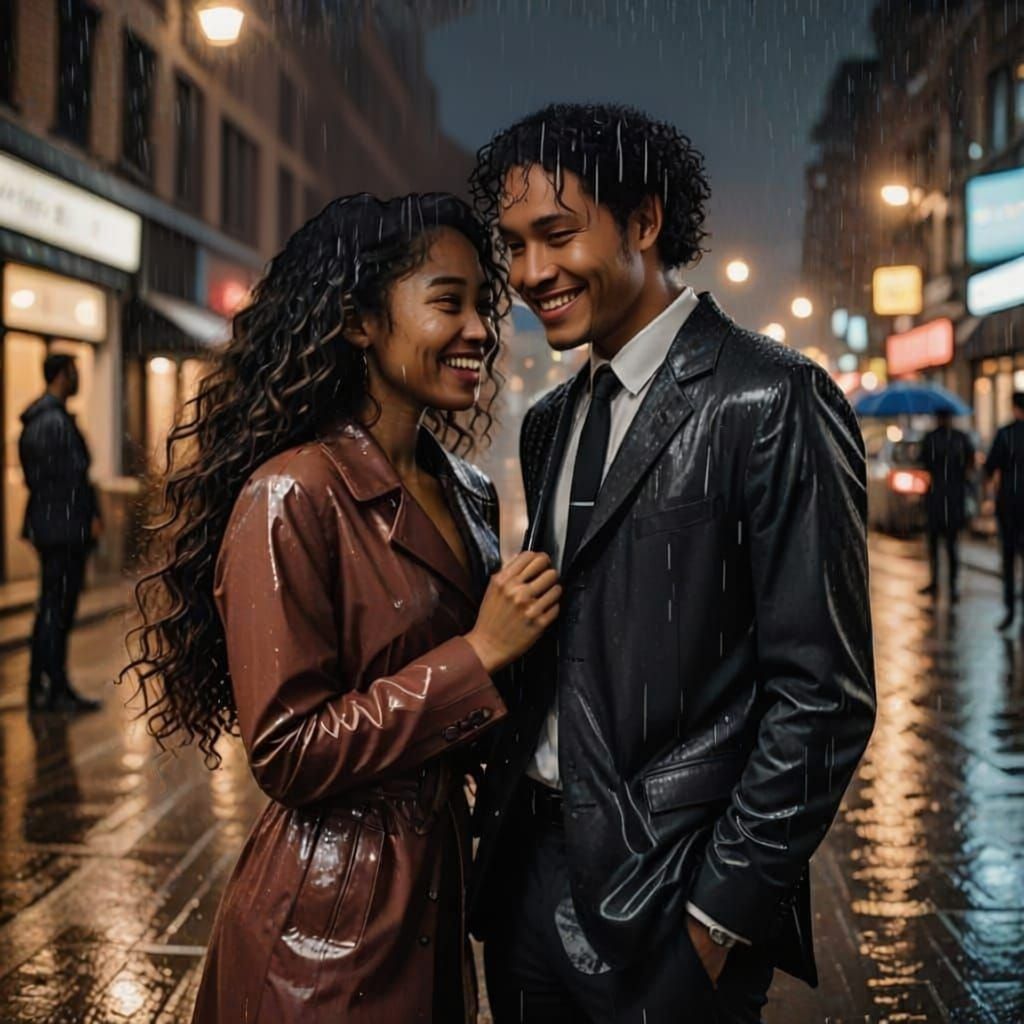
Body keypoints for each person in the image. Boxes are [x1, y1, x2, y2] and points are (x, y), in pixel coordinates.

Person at [467, 102, 877, 1023]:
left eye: (558, 236)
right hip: (527, 881)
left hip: (673, 897)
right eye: (514, 246)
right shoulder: (550, 422)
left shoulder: (773, 398)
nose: (531, 275)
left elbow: (823, 698)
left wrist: (716, 916)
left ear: (645, 221)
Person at [123, 193, 562, 1023]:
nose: (479, 331)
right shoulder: (292, 493)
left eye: (482, 306)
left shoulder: (465, 491)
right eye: (447, 302)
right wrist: (479, 655)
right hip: (325, 931)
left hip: (437, 896)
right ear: (360, 321)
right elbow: (287, 752)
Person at [19, 353, 102, 713]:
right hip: (61, 529)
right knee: (56, 607)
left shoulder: (48, 419)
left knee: (53, 606)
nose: (78, 378)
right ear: (61, 376)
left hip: (57, 526)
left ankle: (45, 682)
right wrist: (83, 515)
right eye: (74, 372)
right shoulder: (51, 423)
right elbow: (64, 479)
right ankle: (52, 685)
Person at [918, 410, 974, 602]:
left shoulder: (931, 439)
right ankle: (952, 587)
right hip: (955, 497)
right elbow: (970, 464)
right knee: (952, 545)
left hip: (936, 496)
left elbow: (923, 463)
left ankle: (935, 583)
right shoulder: (961, 439)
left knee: (934, 544)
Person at [984, 391, 1024, 630]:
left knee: (1009, 561)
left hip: (1009, 505)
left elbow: (990, 467)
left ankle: (1011, 612)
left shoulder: (1005, 434)